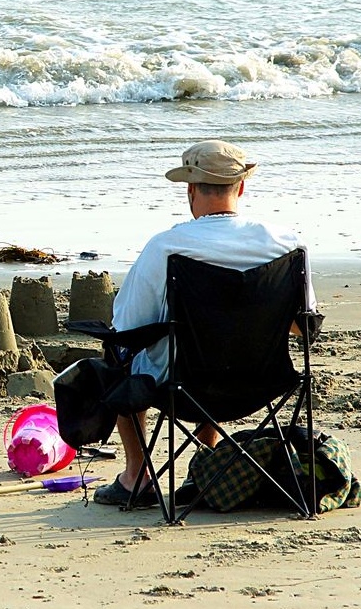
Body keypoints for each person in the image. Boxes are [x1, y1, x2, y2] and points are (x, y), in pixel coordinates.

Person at [92, 139, 316, 506]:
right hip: (263, 382)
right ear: (241, 187)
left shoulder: (167, 247)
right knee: (222, 341)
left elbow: (129, 326)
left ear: (190, 189)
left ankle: (137, 476)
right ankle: (205, 460)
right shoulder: (288, 245)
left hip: (184, 385)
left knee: (121, 355)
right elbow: (303, 325)